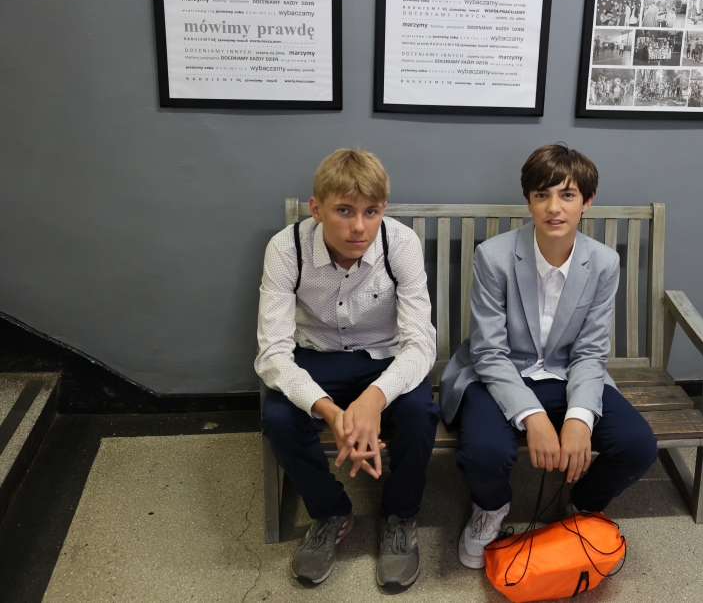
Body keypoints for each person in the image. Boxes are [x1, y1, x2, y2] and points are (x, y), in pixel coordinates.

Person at [440, 144, 659, 570]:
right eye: (542, 195)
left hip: (567, 373)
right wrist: (533, 418)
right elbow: (489, 351)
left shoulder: (604, 263)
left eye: (567, 195)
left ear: (587, 201)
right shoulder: (493, 256)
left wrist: (578, 417)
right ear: (528, 200)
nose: (554, 207)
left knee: (637, 445)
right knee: (483, 454)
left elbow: (590, 351)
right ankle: (491, 508)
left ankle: (582, 506)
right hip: (497, 374)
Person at [256, 149, 439, 592]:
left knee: (420, 414)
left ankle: (399, 516)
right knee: (278, 418)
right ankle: (331, 512)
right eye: (344, 211)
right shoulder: (286, 248)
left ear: (383, 210)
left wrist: (373, 399)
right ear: (317, 209)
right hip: (317, 356)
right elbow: (273, 353)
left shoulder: (401, 244)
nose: (359, 226)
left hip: (384, 356)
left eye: (371, 211)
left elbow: (421, 344)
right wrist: (331, 412)